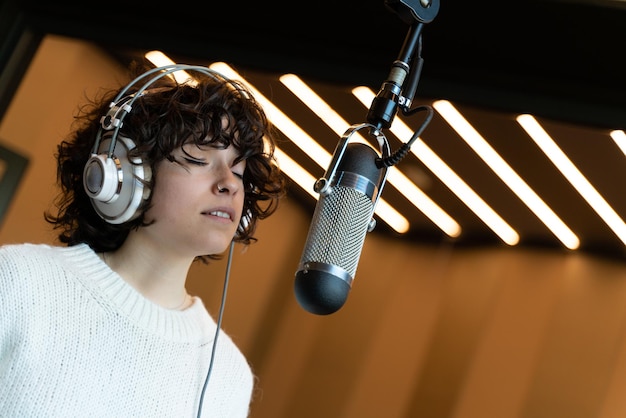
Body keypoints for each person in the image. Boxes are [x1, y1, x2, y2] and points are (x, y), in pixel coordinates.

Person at [0, 61, 287, 417]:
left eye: (239, 169)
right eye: (199, 157)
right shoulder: (17, 282)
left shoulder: (228, 376)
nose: (229, 182)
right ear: (123, 173)